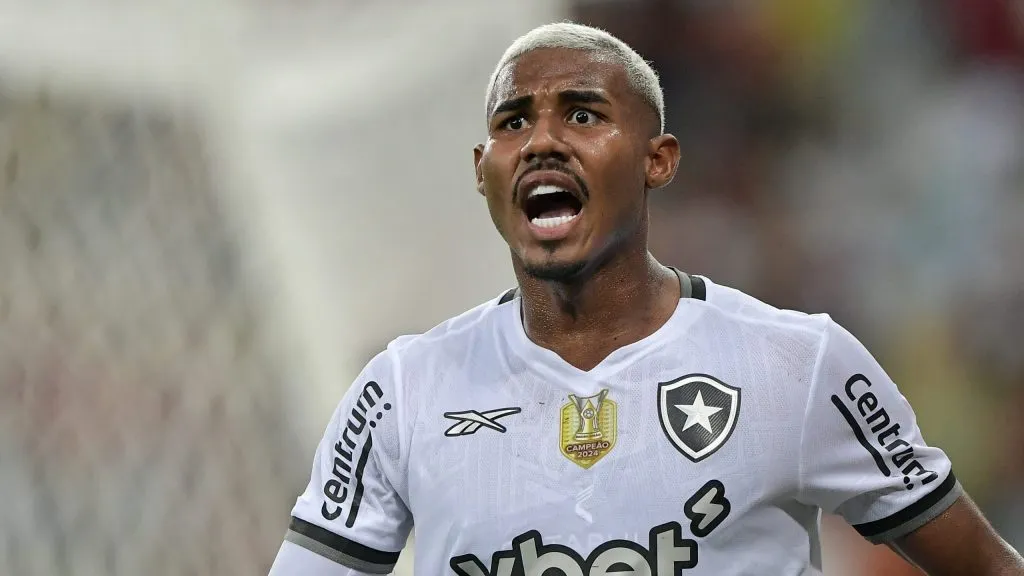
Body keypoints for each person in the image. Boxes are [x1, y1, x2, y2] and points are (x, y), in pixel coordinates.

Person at [268, 22, 1024, 576]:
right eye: (513, 121)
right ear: (482, 169)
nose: (541, 141)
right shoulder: (402, 391)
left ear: (657, 159)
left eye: (583, 114)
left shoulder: (796, 363)